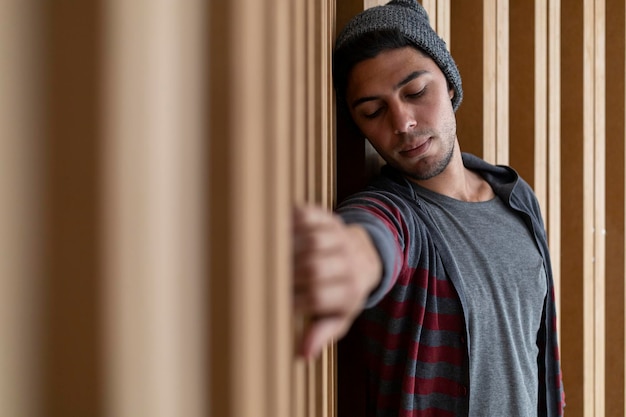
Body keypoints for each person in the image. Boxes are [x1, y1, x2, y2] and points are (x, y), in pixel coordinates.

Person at [293, 0, 565, 416]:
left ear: (451, 84)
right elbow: (374, 236)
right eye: (373, 111)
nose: (402, 122)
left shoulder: (517, 198)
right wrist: (353, 259)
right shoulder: (394, 211)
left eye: (416, 92)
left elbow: (538, 359)